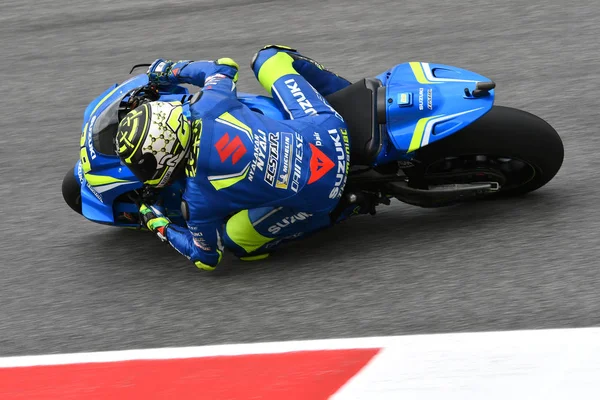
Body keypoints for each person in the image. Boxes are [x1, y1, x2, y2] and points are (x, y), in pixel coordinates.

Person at [115, 45, 356, 271]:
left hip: (324, 194)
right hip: (328, 129)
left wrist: (160, 225)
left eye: (144, 166)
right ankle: (348, 92)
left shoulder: (198, 199)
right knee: (269, 56)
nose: (143, 174)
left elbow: (207, 259)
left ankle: (342, 209)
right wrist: (168, 71)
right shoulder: (210, 104)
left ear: (166, 157)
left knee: (237, 243)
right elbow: (225, 66)